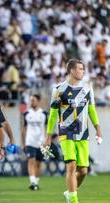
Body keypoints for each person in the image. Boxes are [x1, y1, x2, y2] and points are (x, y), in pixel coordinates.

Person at [45, 59, 103, 203]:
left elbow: (91, 109)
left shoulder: (88, 87)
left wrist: (98, 128)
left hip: (82, 134)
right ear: (71, 70)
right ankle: (73, 199)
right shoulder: (59, 89)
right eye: (80, 69)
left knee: (83, 171)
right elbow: (53, 115)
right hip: (66, 133)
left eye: (83, 69)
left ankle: (69, 192)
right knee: (71, 165)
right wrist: (48, 136)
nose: (83, 71)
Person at [21, 94, 47, 191]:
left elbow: (47, 128)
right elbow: (23, 128)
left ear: (38, 101)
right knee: (31, 161)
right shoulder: (26, 113)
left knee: (39, 163)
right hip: (30, 141)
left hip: (41, 142)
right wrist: (23, 143)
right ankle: (32, 181)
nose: (32, 102)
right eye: (31, 100)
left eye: (34, 100)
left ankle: (36, 182)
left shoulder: (44, 114)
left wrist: (47, 141)